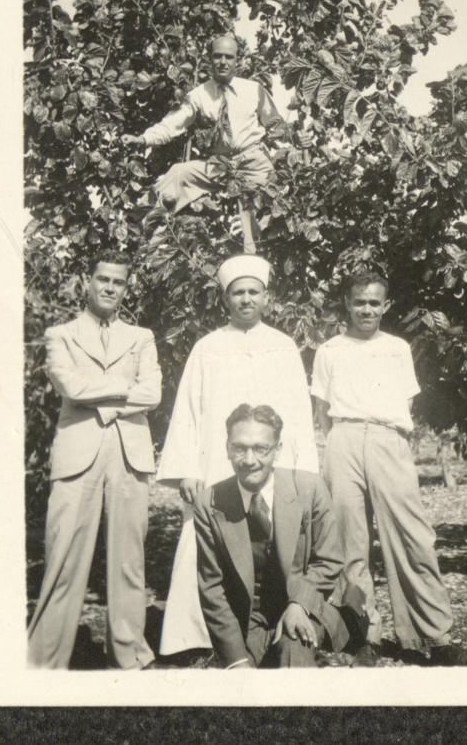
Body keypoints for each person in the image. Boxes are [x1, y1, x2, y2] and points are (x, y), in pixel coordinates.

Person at [311, 270, 467, 667]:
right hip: (343, 439)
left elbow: (405, 403)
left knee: (412, 537)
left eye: (374, 302)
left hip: (388, 439)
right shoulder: (329, 350)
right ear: (347, 304)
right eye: (359, 302)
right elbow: (322, 411)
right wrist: (339, 443)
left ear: (385, 306)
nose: (366, 309)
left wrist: (385, 438)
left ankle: (434, 636)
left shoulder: (397, 348)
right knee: (348, 541)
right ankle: (361, 634)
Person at [156, 253, 319, 658]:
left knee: (273, 541)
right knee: (205, 542)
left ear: (266, 297)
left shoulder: (283, 346)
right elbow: (188, 411)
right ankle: (194, 638)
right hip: (216, 463)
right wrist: (187, 469)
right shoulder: (207, 348)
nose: (246, 299)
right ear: (226, 299)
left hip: (272, 464)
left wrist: (302, 472)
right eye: (238, 293)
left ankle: (269, 626)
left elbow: (299, 414)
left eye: (253, 292)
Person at [27, 251, 162, 669]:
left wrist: (99, 394)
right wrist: (123, 390)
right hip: (77, 454)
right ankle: (45, 661)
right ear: (87, 281)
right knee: (63, 557)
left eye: (118, 282)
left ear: (126, 288)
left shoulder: (141, 337)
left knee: (128, 561)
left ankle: (129, 656)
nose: (110, 288)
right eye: (103, 279)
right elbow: (69, 386)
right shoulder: (61, 334)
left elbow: (153, 393)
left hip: (129, 453)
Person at [194, 403, 367, 668]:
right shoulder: (210, 503)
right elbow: (212, 588)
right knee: (243, 679)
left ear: (278, 450)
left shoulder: (309, 488)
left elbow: (329, 559)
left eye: (261, 449)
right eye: (239, 448)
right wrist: (236, 660)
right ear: (227, 448)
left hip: (307, 606)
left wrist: (299, 604)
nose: (249, 460)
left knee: (294, 648)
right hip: (248, 620)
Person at [122, 34, 309, 214]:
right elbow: (172, 123)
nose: (223, 62)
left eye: (229, 57)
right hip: (218, 165)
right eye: (217, 56)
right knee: (178, 173)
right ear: (209, 59)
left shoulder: (254, 90)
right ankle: (141, 222)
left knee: (270, 205)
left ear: (237, 61)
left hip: (253, 163)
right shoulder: (198, 95)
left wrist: (296, 137)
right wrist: (143, 139)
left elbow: (276, 124)